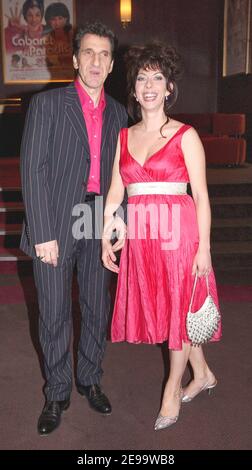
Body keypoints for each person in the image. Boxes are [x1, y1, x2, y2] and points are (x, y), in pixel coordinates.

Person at [102, 42, 221, 431]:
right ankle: (201, 374)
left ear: (169, 87)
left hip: (180, 236)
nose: (149, 85)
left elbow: (202, 196)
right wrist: (108, 225)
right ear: (133, 90)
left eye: (157, 77)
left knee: (179, 310)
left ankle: (173, 389)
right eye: (141, 78)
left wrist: (203, 248)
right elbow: (118, 190)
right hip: (143, 237)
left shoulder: (186, 135)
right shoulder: (124, 136)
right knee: (173, 310)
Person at [20, 22, 128, 436]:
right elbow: (34, 169)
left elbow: (125, 176)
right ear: (75, 58)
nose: (96, 61)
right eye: (89, 53)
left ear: (112, 63)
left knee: (97, 308)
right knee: (54, 312)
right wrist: (43, 232)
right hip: (57, 219)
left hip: (99, 218)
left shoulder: (120, 113)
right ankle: (57, 390)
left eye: (104, 55)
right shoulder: (48, 104)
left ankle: (89, 378)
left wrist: (118, 224)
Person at [44, 2, 73, 69]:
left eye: (60, 18)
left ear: (66, 19)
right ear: (48, 21)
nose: (57, 23)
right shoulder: (47, 38)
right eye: (53, 19)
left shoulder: (72, 35)